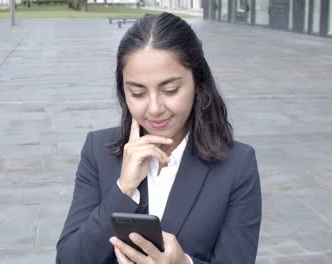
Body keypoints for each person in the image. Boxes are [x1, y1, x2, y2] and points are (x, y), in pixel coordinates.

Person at [56, 12, 261, 264]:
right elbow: (69, 259)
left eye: (170, 90)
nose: (154, 108)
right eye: (137, 93)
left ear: (198, 83)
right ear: (123, 91)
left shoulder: (237, 165)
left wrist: (184, 263)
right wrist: (123, 189)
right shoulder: (98, 150)